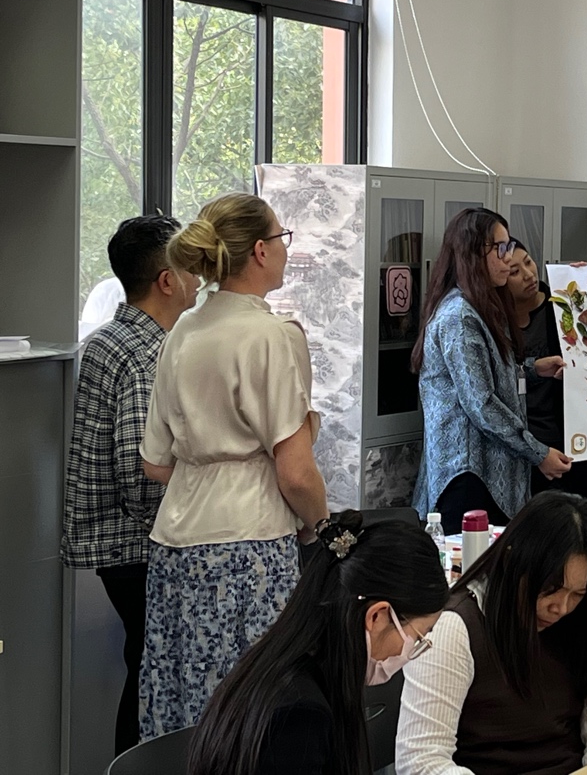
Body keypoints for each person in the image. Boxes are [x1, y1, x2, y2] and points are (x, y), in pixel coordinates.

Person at [139, 192, 330, 739]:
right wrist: (323, 528)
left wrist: (210, 467)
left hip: (175, 546)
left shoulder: (182, 331)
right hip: (250, 548)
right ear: (261, 251)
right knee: (250, 712)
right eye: (282, 237)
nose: (285, 248)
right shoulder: (270, 336)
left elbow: (155, 462)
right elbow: (296, 473)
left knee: (185, 703)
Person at [60, 215, 199, 755]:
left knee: (145, 666)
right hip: (137, 544)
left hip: (114, 544)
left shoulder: (108, 339)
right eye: (190, 268)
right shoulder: (148, 352)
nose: (199, 279)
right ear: (167, 280)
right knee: (155, 674)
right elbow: (142, 474)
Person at [187, 511, 450, 775]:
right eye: (418, 637)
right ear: (377, 616)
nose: (412, 649)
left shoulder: (284, 665)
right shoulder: (299, 715)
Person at [395, 492, 587, 775]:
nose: (561, 607)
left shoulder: (578, 620)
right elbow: (420, 760)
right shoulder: (454, 627)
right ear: (512, 561)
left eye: (578, 593)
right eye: (550, 589)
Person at [410, 208, 571, 534]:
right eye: (499, 249)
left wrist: (532, 369)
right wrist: (538, 453)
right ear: (472, 255)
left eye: (507, 246)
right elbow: (481, 403)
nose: (508, 258)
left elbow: (487, 373)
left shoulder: (481, 306)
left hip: (492, 474)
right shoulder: (459, 315)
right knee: (472, 564)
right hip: (468, 474)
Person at [506, 245, 587, 510]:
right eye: (514, 271)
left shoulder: (565, 304)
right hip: (525, 447)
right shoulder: (493, 321)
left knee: (582, 524)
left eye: (528, 262)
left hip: (574, 441)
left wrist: (586, 287)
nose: (528, 274)